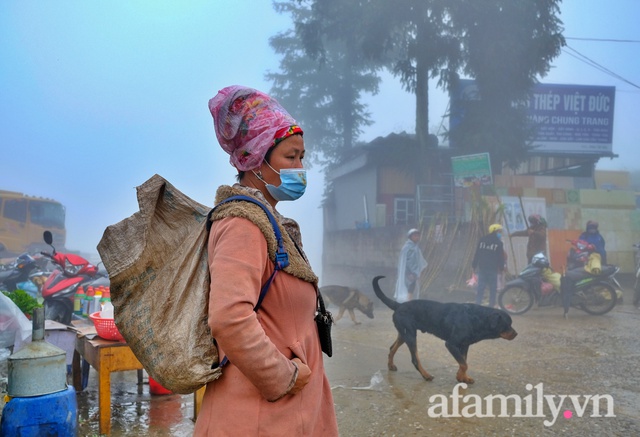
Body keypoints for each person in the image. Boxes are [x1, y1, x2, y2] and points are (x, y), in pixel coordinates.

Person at [194, 85, 338, 436]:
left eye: (302, 157)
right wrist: (284, 377)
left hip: (290, 412)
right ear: (255, 159)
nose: (300, 168)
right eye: (291, 157)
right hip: (259, 416)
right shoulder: (243, 224)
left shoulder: (273, 223)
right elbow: (229, 318)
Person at [472, 224, 506, 308]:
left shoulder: (482, 240)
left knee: (481, 287)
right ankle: (491, 305)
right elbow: (500, 257)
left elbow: (477, 254)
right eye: (499, 231)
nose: (500, 233)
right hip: (492, 268)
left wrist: (474, 265)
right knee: (492, 288)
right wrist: (502, 267)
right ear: (495, 231)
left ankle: (478, 303)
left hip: (482, 267)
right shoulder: (498, 243)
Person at [394, 228, 428, 302]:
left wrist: (418, 272)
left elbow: (418, 261)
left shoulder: (416, 248)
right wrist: (408, 273)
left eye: (418, 236)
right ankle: (408, 304)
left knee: (412, 288)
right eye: (415, 236)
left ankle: (409, 303)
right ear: (410, 237)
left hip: (414, 272)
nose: (417, 237)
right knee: (409, 288)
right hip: (408, 273)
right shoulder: (406, 248)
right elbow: (403, 262)